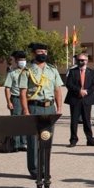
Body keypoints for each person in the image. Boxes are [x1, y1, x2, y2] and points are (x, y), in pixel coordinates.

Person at [19, 43, 64, 179]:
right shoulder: (27, 71)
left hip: (49, 107)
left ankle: (45, 168)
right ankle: (34, 169)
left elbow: (57, 90)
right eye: (40, 51)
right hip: (34, 106)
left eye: (44, 51)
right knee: (33, 140)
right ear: (34, 54)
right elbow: (23, 92)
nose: (43, 54)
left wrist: (59, 108)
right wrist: (25, 110)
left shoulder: (52, 70)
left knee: (47, 139)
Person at [64, 53, 94, 147]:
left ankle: (90, 140)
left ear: (87, 61)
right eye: (79, 60)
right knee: (74, 120)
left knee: (87, 120)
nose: (81, 62)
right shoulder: (72, 71)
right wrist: (79, 91)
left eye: (83, 60)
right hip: (75, 98)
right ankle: (73, 140)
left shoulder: (91, 72)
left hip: (87, 99)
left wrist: (86, 92)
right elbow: (69, 84)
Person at [3, 50, 29, 152]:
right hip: (16, 98)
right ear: (17, 61)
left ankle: (23, 143)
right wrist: (9, 102)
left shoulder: (29, 71)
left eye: (24, 59)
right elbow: (7, 88)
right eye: (20, 60)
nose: (22, 61)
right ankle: (15, 144)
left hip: (27, 99)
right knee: (16, 121)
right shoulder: (12, 73)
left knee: (25, 121)